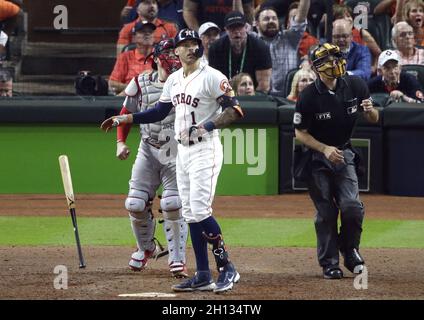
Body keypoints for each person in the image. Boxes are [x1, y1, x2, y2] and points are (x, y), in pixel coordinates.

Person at [101, 28, 244, 293]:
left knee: (200, 211)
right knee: (189, 213)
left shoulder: (212, 77)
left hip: (205, 149)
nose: (191, 48)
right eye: (185, 44)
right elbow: (159, 111)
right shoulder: (175, 80)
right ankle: (202, 274)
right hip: (183, 152)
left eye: (195, 43)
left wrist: (207, 126)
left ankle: (226, 267)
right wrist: (125, 118)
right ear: (176, 50)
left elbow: (234, 111)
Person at [293, 43, 379, 279]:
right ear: (317, 67)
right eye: (329, 60)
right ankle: (329, 263)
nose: (336, 63)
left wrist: (370, 110)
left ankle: (350, 250)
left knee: (352, 206)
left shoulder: (355, 84)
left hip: (344, 153)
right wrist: (324, 148)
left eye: (337, 57)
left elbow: (373, 117)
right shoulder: (309, 95)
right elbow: (299, 132)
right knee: (327, 212)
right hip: (316, 158)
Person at [113, 39, 189, 278]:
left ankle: (177, 258)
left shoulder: (187, 82)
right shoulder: (140, 82)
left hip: (176, 151)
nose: (172, 58)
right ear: (156, 57)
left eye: (174, 53)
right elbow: (126, 114)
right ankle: (147, 248)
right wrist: (120, 142)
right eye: (167, 53)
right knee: (134, 204)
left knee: (172, 203)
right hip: (148, 149)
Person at [254, 0, 310, 96]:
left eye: (274, 18)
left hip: (288, 98)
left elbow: (301, 18)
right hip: (261, 98)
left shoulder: (290, 37)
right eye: (266, 19)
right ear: (257, 24)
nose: (271, 21)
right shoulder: (252, 42)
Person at [208, 11, 272, 93]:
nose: (237, 31)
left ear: (246, 27)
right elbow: (214, 83)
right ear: (226, 30)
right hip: (225, 94)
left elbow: (263, 86)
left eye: (239, 27)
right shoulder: (216, 48)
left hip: (253, 96)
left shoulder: (260, 48)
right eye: (232, 28)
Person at [109, 21, 156, 95]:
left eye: (150, 32)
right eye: (143, 32)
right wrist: (134, 87)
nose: (147, 34)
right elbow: (112, 83)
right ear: (134, 38)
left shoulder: (161, 57)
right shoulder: (125, 57)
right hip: (131, 97)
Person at [182, 0, 254, 30]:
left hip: (232, 33)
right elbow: (189, 11)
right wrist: (199, 34)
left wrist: (246, 32)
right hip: (206, 33)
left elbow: (248, 12)